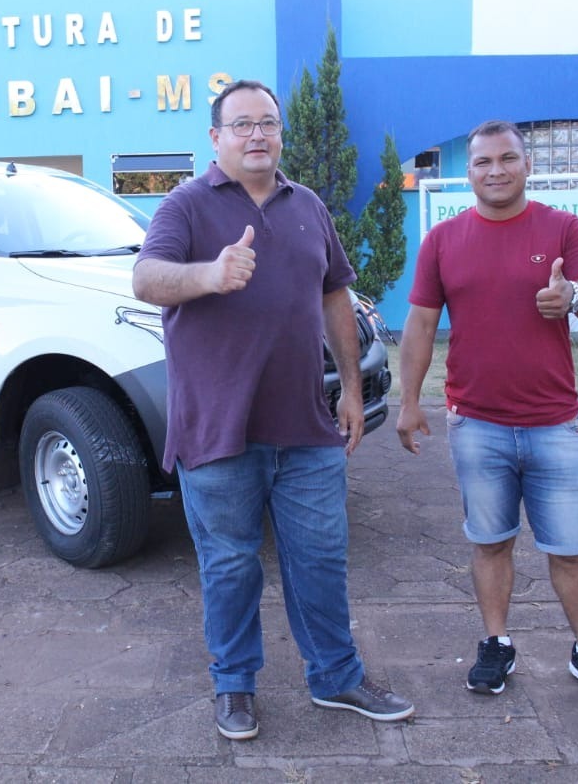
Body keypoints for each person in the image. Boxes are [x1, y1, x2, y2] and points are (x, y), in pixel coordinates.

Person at [133, 79, 415, 740]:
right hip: (219, 430)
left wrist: (350, 387)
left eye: (268, 123)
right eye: (242, 124)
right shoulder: (187, 205)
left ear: (281, 133)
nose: (257, 134)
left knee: (320, 557)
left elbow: (335, 298)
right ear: (216, 137)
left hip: (307, 428)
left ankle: (337, 676)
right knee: (230, 564)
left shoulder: (308, 206)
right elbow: (146, 279)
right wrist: (207, 275)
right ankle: (234, 686)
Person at [396, 119, 578, 707]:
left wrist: (573, 297)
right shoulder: (443, 241)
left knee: (570, 548)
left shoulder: (562, 228)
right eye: (483, 162)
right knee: (490, 542)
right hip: (476, 425)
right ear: (469, 171)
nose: (495, 170)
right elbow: (421, 324)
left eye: (507, 159)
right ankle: (496, 642)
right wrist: (407, 403)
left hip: (556, 424)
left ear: (526, 165)